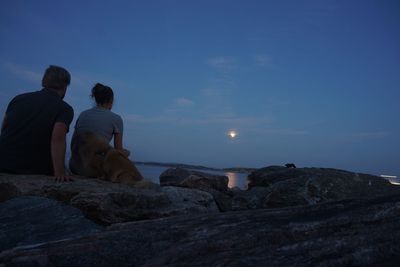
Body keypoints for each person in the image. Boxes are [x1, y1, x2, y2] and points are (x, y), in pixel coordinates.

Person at [0, 65, 74, 182]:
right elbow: (58, 139)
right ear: (65, 86)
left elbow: (4, 129)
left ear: (43, 82)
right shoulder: (64, 108)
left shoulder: (17, 100)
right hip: (34, 168)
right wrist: (59, 172)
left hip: (3, 164)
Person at [69, 83, 129, 174]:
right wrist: (127, 153)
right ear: (111, 100)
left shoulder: (83, 114)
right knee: (124, 155)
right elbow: (118, 150)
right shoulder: (116, 118)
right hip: (95, 169)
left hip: (75, 166)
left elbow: (73, 143)